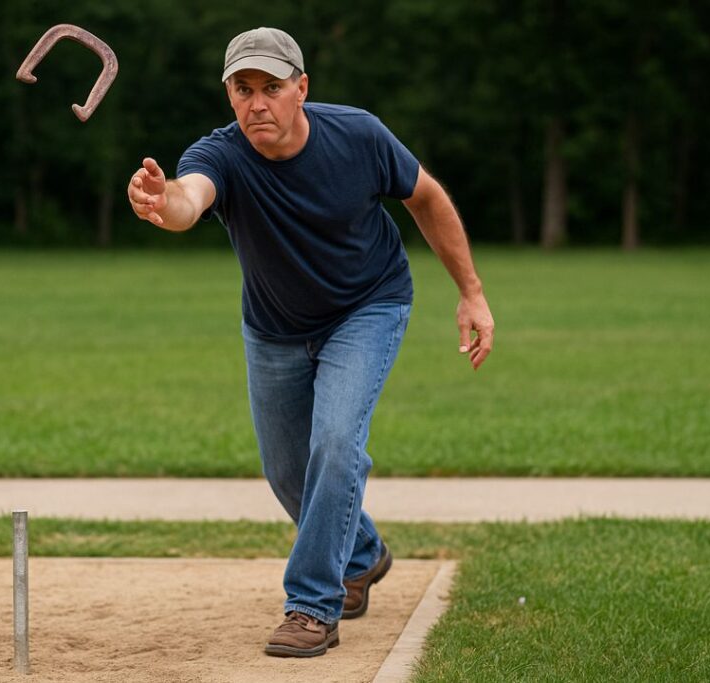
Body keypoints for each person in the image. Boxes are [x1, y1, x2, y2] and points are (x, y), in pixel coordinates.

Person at [127, 27, 494, 658]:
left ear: (302, 88)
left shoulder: (358, 136)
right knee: (287, 469)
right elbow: (192, 198)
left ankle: (311, 606)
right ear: (229, 96)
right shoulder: (221, 154)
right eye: (243, 89)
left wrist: (472, 292)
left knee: (335, 441)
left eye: (271, 87)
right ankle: (362, 553)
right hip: (274, 327)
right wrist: (165, 202)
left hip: (368, 306)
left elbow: (427, 198)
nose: (257, 103)